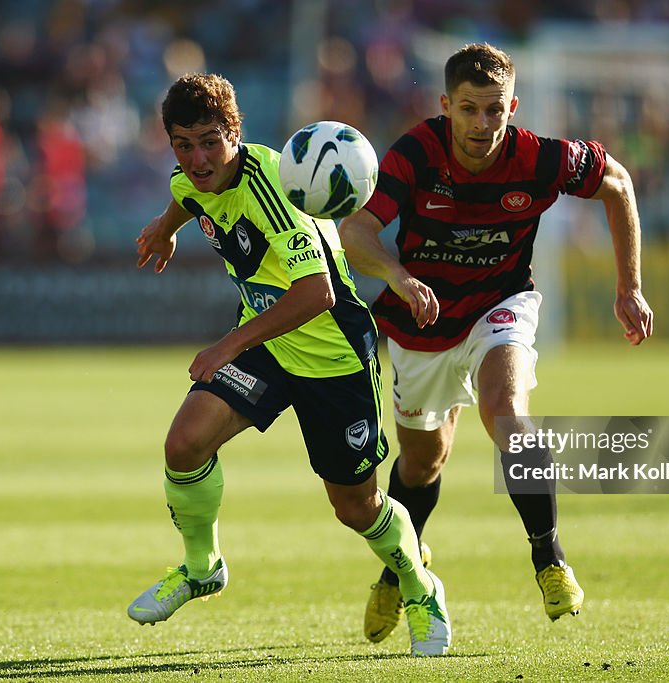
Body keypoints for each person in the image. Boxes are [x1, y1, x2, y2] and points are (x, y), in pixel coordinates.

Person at [338, 43, 653, 643]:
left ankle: (550, 559)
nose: (482, 124)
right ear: (445, 107)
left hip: (499, 306)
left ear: (513, 106)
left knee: (507, 415)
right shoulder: (416, 152)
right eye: (468, 110)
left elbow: (617, 182)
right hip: (420, 321)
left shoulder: (539, 158)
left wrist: (629, 288)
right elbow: (357, 229)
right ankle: (397, 573)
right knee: (422, 461)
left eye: (493, 110)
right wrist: (399, 276)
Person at [127, 73, 450, 657]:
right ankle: (202, 568)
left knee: (355, 508)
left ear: (235, 131)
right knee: (184, 445)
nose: (197, 159)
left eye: (209, 141)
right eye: (183, 143)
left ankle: (420, 586)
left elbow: (317, 293)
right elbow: (188, 193)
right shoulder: (191, 177)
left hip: (331, 352)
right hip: (270, 346)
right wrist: (163, 227)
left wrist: (225, 346)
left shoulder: (275, 188)